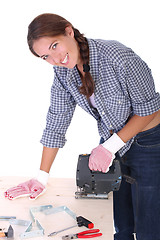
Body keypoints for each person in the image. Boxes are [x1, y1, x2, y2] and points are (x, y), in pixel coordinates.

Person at [4, 13, 160, 240]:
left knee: (150, 227)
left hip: (149, 143)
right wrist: (41, 177)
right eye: (45, 56)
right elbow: (56, 120)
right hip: (113, 144)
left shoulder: (118, 57)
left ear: (69, 31)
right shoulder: (62, 72)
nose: (55, 59)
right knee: (122, 226)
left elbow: (150, 109)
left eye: (54, 46)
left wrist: (109, 147)